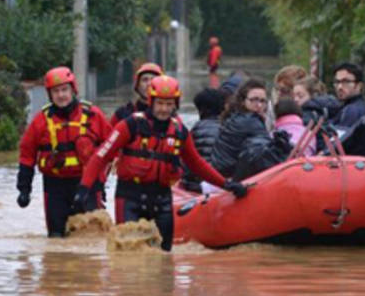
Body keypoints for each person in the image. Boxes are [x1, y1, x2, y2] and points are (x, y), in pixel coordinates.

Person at [76, 75, 247, 251]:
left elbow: (197, 165)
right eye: (160, 103)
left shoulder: (180, 131)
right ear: (151, 101)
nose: (164, 109)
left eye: (169, 104)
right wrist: (84, 188)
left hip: (161, 199)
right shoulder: (130, 125)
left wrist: (226, 184)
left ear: (175, 104)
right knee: (126, 256)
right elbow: (101, 156)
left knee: (164, 258)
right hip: (130, 197)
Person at [16, 66, 112, 237]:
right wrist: (24, 189)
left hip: (87, 184)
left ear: (73, 90)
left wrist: (101, 180)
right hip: (55, 186)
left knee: (91, 237)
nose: (61, 95)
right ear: (50, 94)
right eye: (56, 91)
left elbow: (111, 148)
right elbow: (27, 155)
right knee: (55, 237)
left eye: (64, 90)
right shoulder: (40, 121)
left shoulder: (93, 115)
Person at [211, 79, 290, 180]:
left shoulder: (235, 117)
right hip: (230, 178)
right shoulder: (250, 121)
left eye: (262, 101)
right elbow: (264, 148)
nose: (259, 105)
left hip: (221, 173)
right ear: (243, 101)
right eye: (254, 100)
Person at [180, 88, 226, 192]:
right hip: (220, 182)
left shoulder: (194, 130)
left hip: (197, 185)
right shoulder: (228, 128)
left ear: (201, 110)